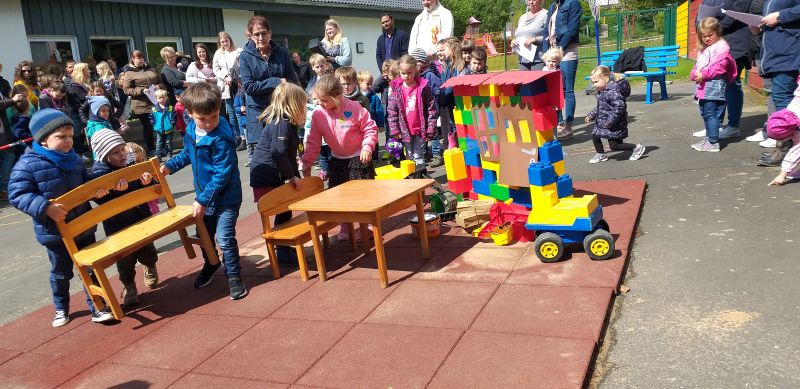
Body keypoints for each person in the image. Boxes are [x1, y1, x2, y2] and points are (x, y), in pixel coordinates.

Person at [8, 109, 117, 327]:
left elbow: (87, 181)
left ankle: (97, 305)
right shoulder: (28, 164)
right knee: (61, 273)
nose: (68, 141)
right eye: (61, 137)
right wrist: (45, 207)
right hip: (55, 233)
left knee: (90, 267)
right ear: (44, 140)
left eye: (70, 136)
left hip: (83, 226)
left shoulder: (75, 160)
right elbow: (17, 193)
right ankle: (61, 307)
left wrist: (99, 186)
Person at [160, 83, 247, 299]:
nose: (208, 123)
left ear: (219, 111)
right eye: (202, 119)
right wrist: (170, 166)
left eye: (214, 117)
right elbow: (188, 154)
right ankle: (211, 263)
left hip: (226, 198)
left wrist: (203, 200)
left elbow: (221, 175)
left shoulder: (221, 139)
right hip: (206, 198)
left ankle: (234, 276)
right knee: (204, 236)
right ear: (189, 114)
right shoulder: (191, 130)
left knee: (225, 237)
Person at [300, 74, 378, 240]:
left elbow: (370, 129)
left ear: (337, 96)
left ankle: (367, 225)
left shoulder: (355, 108)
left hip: (358, 157)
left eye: (324, 100)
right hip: (337, 160)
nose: (319, 103)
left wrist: (367, 147)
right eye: (318, 100)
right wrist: (306, 161)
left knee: (362, 194)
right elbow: (313, 141)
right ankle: (345, 225)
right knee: (340, 195)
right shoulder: (318, 114)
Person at [89, 129, 159, 306]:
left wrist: (146, 181)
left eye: (122, 149)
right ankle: (129, 285)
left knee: (148, 251)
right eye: (115, 152)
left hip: (140, 220)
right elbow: (98, 198)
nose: (122, 154)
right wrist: (109, 193)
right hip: (117, 226)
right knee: (124, 259)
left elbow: (153, 186)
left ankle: (149, 266)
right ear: (104, 156)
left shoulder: (130, 167)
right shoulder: (99, 175)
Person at [250, 83, 305, 263]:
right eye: (302, 104)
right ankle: (281, 249)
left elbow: (288, 155)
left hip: (272, 174)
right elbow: (278, 152)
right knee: (282, 209)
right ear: (293, 104)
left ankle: (283, 247)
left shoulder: (286, 123)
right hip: (267, 176)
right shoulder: (281, 124)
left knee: (285, 210)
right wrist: (292, 176)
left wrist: (296, 174)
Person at [239, 15, 299, 167]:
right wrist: (276, 81)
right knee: (265, 160)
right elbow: (249, 87)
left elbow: (292, 80)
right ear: (250, 36)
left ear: (270, 33)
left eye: (264, 33)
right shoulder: (245, 56)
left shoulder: (282, 52)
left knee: (285, 156)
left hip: (281, 111)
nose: (261, 37)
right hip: (259, 113)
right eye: (256, 34)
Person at [748, 1, 800, 146]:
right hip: (774, 54)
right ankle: (788, 145)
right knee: (780, 97)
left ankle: (787, 146)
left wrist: (780, 16)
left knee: (782, 98)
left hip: (788, 52)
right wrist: (759, 29)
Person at [690, 17, 738, 153]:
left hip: (714, 87)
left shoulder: (721, 50)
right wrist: (694, 74)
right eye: (703, 36)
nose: (707, 38)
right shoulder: (705, 50)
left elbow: (720, 68)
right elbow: (696, 66)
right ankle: (709, 138)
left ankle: (713, 141)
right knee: (705, 113)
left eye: (710, 35)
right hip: (704, 87)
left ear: (718, 32)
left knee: (711, 113)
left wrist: (703, 74)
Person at [585, 66, 646, 163]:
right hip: (603, 120)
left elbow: (620, 108)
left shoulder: (613, 92)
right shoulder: (602, 91)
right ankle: (601, 154)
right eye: (593, 83)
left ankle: (637, 148)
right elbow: (600, 106)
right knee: (595, 135)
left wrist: (610, 121)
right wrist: (591, 115)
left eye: (596, 82)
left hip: (614, 122)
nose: (594, 85)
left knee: (615, 146)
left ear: (606, 78)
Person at [387, 54, 438, 166]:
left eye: (409, 72)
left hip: (420, 128)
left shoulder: (423, 87)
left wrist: (431, 127)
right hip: (404, 129)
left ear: (415, 70)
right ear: (399, 72)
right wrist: (395, 130)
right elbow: (392, 112)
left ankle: (420, 177)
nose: (406, 76)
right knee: (409, 156)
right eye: (403, 73)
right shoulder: (396, 89)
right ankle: (412, 179)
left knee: (419, 155)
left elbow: (431, 109)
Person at [542, 0, 583, 139]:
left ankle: (568, 125)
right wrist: (544, 52)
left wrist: (560, 48)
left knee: (567, 89)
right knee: (555, 90)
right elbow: (545, 31)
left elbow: (572, 28)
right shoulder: (553, 6)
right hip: (553, 52)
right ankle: (559, 124)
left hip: (567, 50)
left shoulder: (573, 4)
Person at [409, 48, 443, 166]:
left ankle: (437, 154)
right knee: (422, 132)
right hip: (419, 111)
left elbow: (438, 89)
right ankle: (424, 151)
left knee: (432, 133)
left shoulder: (429, 75)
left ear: (424, 62)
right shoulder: (414, 77)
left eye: (417, 62)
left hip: (430, 110)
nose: (414, 65)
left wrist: (433, 101)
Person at [123, 51, 160, 154]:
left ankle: (161, 147)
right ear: (133, 59)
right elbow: (126, 90)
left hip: (156, 102)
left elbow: (161, 82)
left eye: (142, 57)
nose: (141, 59)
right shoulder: (129, 73)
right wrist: (141, 90)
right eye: (138, 58)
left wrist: (158, 86)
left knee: (159, 125)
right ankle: (151, 149)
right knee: (148, 127)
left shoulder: (152, 69)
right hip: (141, 105)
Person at [213, 31, 243, 142]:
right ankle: (236, 137)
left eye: (226, 41)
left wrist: (234, 76)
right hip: (226, 86)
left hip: (238, 85)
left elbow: (242, 67)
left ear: (230, 40)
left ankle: (244, 137)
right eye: (222, 42)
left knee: (239, 111)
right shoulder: (218, 53)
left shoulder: (238, 51)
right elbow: (215, 69)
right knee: (231, 113)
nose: (225, 43)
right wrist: (225, 76)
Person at [765, 99, 800, 185]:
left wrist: (782, 175)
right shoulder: (792, 108)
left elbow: (795, 153)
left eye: (781, 139)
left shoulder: (797, 131)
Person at [0, 91, 27, 201]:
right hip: (1, 134)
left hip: (4, 132)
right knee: (9, 156)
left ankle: (4, 188)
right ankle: (3, 189)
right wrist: (12, 100)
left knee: (9, 156)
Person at [512, 0, 548, 70]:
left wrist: (535, 39)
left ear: (541, 1)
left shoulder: (545, 14)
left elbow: (550, 36)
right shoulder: (522, 17)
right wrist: (514, 41)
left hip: (538, 60)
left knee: (537, 81)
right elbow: (518, 35)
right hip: (522, 60)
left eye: (534, 0)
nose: (531, 2)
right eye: (529, 0)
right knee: (524, 81)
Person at [358, 70, 386, 134]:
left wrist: (381, 125)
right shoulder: (356, 97)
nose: (370, 86)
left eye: (371, 83)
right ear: (359, 83)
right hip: (360, 126)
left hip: (373, 125)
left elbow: (379, 111)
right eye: (367, 84)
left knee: (373, 141)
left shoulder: (374, 97)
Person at [151, 89, 176, 159]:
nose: (162, 99)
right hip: (158, 128)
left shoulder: (170, 108)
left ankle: (169, 154)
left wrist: (172, 124)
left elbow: (174, 116)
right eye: (159, 98)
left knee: (169, 142)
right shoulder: (154, 109)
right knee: (159, 143)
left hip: (169, 128)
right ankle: (158, 156)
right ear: (156, 99)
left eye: (163, 97)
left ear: (166, 97)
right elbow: (151, 117)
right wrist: (153, 123)